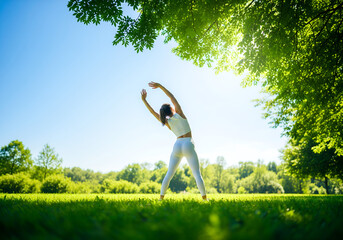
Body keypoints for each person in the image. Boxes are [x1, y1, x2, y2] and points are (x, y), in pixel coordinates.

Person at [141, 81, 208, 201]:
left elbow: (152, 112)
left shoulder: (167, 123)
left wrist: (144, 100)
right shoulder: (180, 114)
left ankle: (161, 198)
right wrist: (160, 86)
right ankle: (205, 199)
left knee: (169, 174)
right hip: (188, 143)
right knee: (197, 174)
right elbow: (172, 97)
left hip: (177, 145)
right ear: (171, 108)